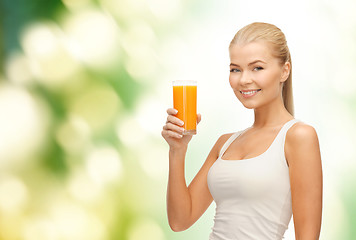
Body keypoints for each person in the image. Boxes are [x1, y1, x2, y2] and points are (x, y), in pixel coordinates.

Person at [161, 22, 322, 240]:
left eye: (257, 68)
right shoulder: (225, 143)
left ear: (285, 70)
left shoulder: (298, 136)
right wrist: (177, 150)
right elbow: (180, 221)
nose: (244, 80)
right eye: (235, 69)